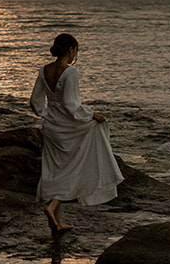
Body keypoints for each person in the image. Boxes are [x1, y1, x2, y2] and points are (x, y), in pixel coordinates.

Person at [29, 33, 123, 233]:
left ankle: (57, 220)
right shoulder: (70, 72)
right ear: (71, 49)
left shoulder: (43, 70)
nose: (75, 56)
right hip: (68, 129)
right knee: (74, 169)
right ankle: (52, 205)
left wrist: (47, 114)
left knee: (55, 170)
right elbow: (72, 105)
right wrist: (92, 114)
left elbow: (35, 103)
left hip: (51, 127)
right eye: (76, 51)